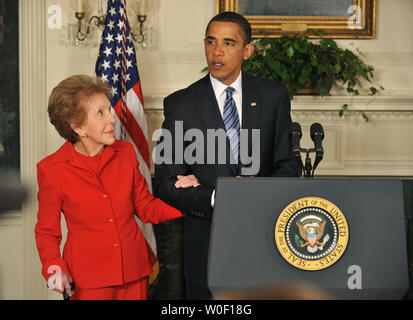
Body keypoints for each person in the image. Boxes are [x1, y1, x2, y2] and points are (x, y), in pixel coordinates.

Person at [154, 12, 301, 299]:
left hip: (266, 239)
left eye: (228, 43)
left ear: (248, 51)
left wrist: (255, 192)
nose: (217, 51)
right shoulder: (181, 104)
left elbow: (288, 165)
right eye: (211, 42)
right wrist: (215, 197)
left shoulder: (273, 96)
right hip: (207, 245)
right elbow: (165, 183)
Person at [35, 74, 183, 300]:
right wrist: (53, 266)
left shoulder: (125, 153)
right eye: (100, 113)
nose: (112, 119)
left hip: (134, 273)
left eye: (108, 110)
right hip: (88, 281)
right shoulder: (52, 169)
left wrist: (187, 199)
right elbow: (47, 231)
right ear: (77, 126)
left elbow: (144, 206)